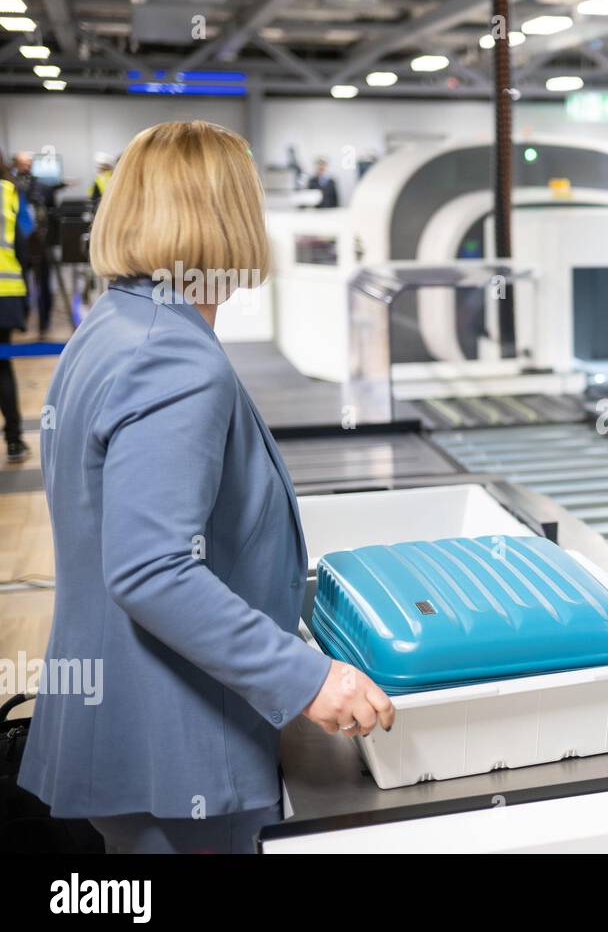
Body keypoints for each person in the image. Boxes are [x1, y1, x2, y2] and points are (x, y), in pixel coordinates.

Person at [18, 121, 395, 854]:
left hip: (122, 724)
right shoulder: (177, 361)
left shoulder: (112, 329)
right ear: (227, 218)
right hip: (174, 741)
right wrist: (306, 677)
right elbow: (151, 567)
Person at [0, 152, 34, 462]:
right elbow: (23, 244)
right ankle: (13, 441)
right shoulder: (9, 192)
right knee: (2, 368)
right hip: (6, 291)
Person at [12, 151, 62, 337]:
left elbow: (53, 216)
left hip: (41, 244)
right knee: (21, 285)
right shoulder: (11, 188)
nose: (27, 166)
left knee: (44, 287)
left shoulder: (42, 187)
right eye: (23, 163)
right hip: (18, 246)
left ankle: (44, 323)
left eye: (29, 163)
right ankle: (21, 320)